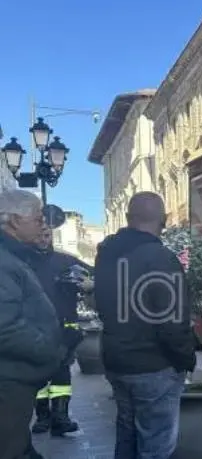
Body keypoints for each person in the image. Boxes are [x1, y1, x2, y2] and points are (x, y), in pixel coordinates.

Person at [93, 192, 197, 459]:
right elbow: (172, 322)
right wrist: (186, 358)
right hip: (154, 367)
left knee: (127, 436)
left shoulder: (106, 255)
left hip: (117, 361)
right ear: (163, 220)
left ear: (127, 218)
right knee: (156, 446)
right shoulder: (160, 258)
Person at [0, 190, 81, 459]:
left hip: (18, 379)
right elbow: (5, 329)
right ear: (13, 221)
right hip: (9, 384)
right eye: (37, 218)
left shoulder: (17, 257)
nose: (43, 224)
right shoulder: (4, 261)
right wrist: (55, 347)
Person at [30, 226, 91, 437]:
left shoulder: (66, 261)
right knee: (38, 375)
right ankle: (42, 417)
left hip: (65, 327)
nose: (42, 239)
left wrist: (83, 285)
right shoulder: (23, 263)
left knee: (62, 373)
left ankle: (60, 417)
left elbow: (91, 277)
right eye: (39, 234)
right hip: (35, 328)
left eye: (46, 235)